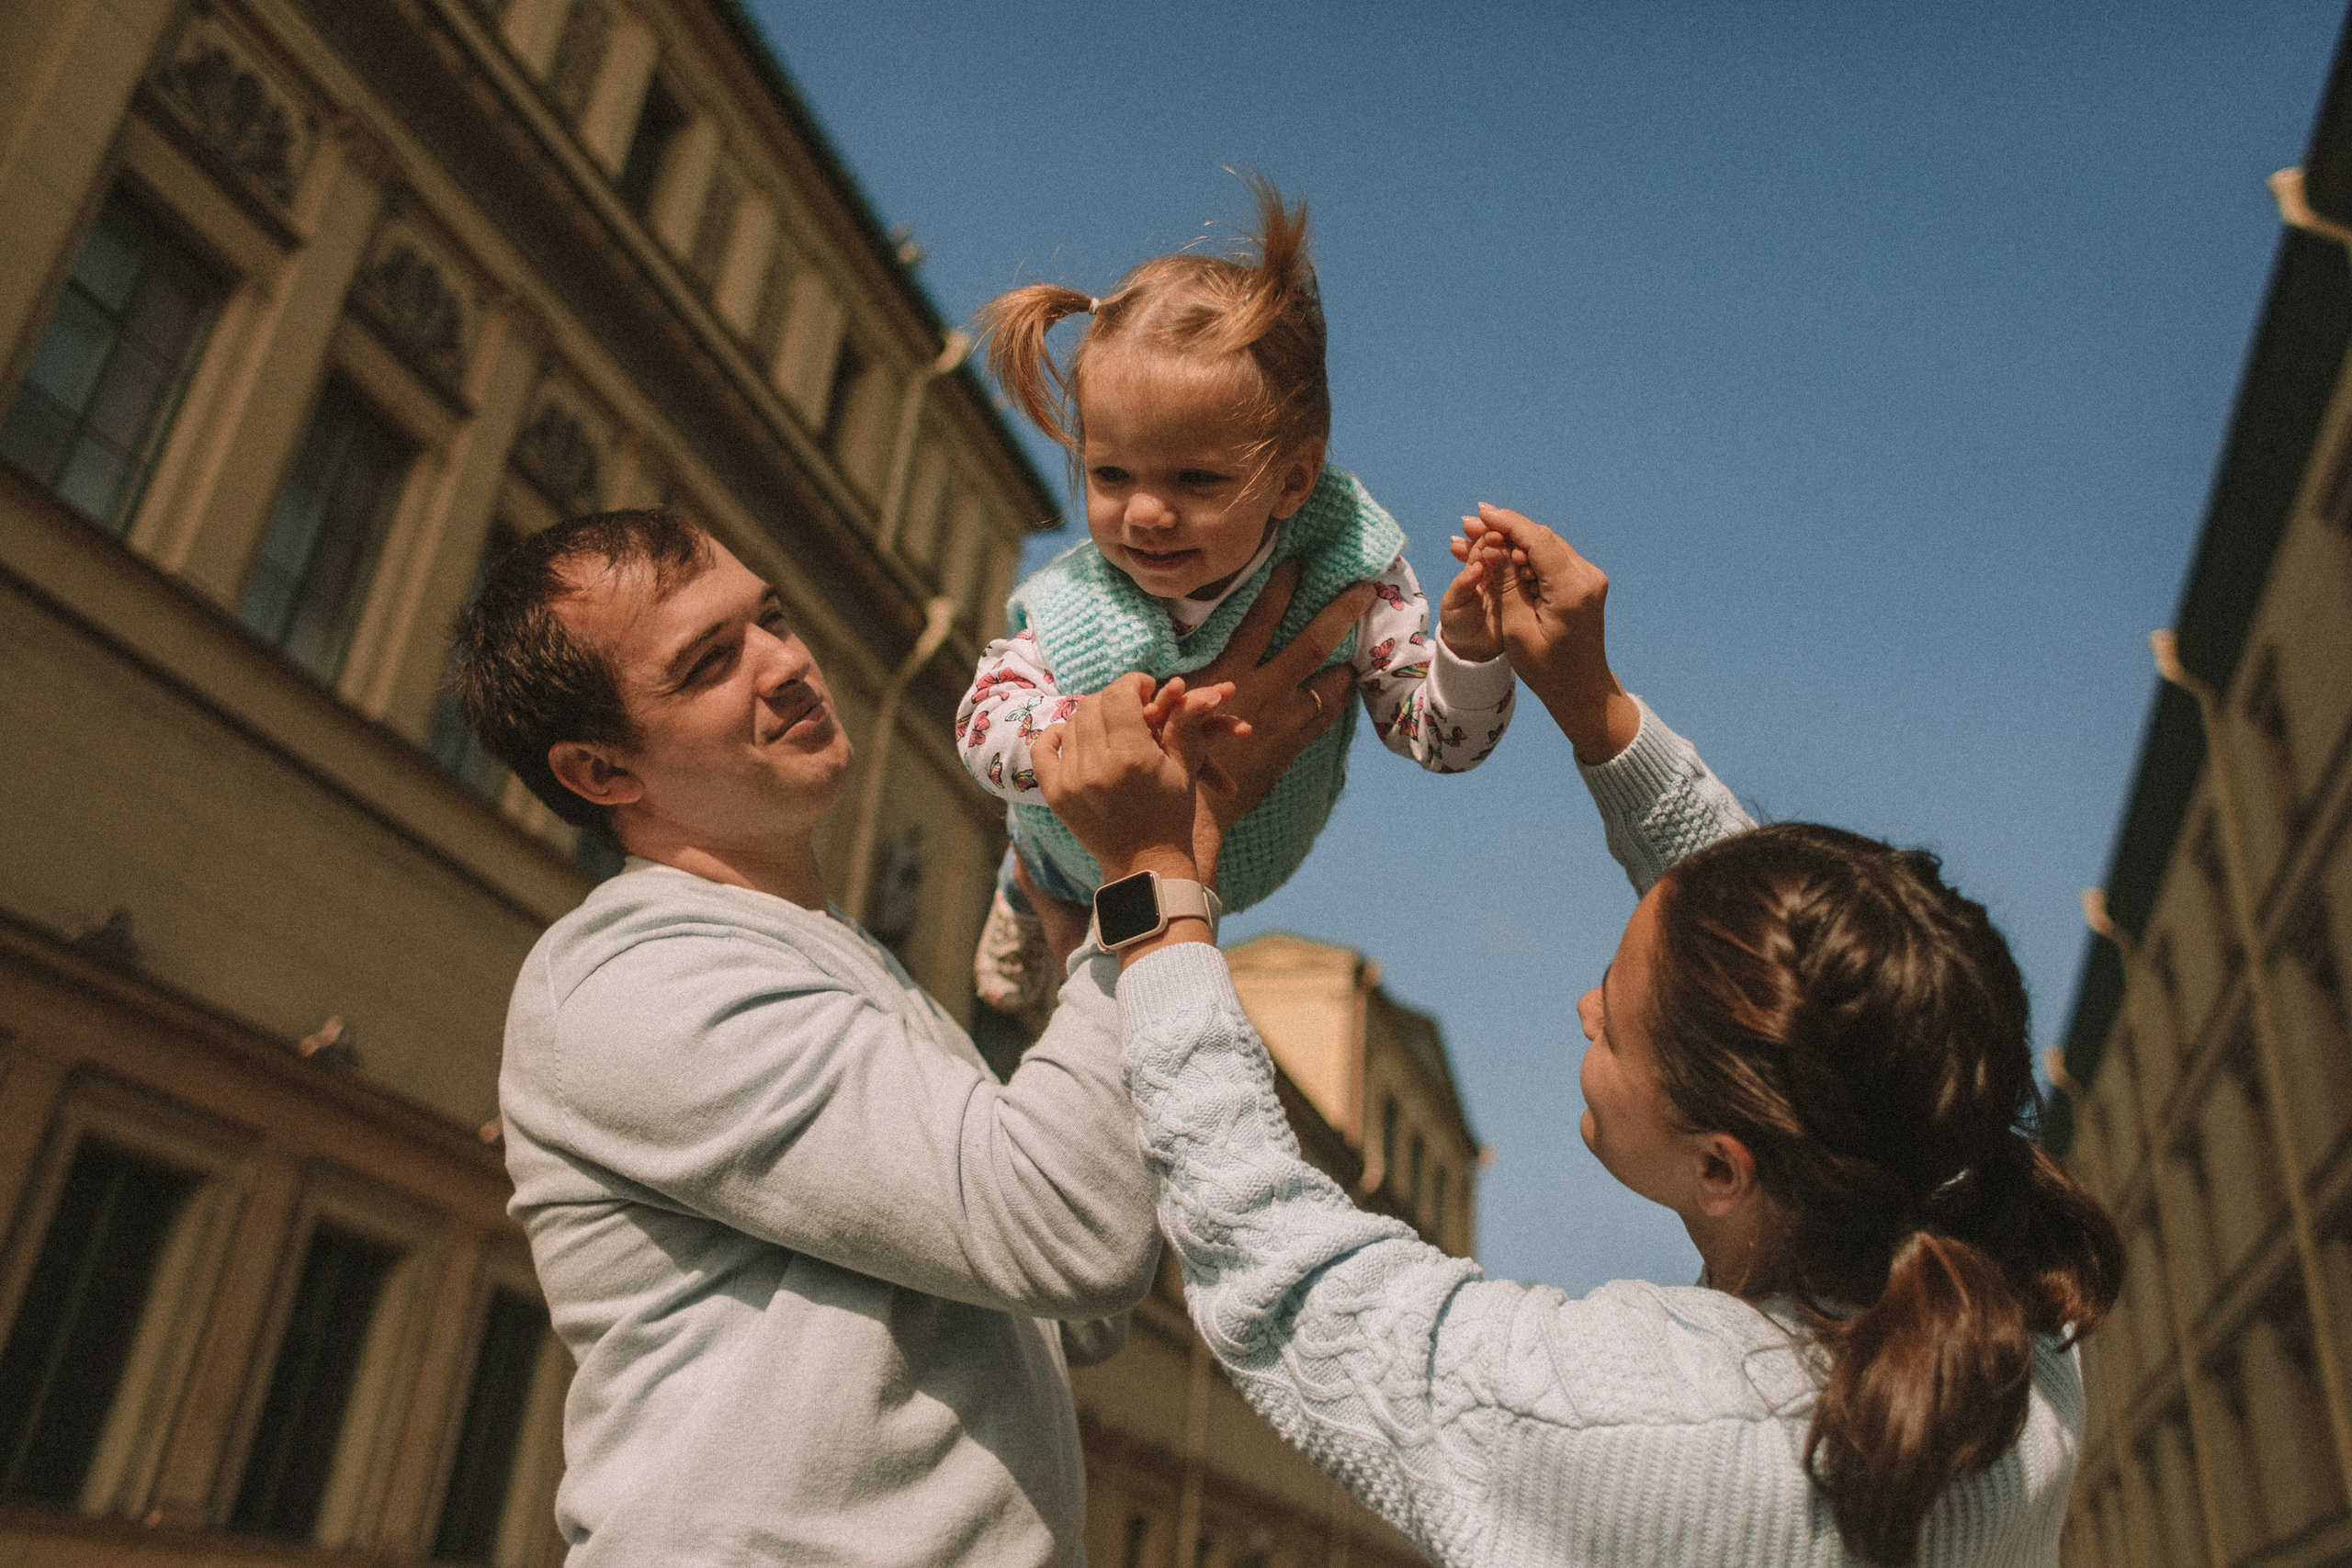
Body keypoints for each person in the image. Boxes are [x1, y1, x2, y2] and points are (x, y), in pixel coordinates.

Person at [1031, 506, 2125, 1568]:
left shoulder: (1618, 1425)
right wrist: (1592, 707)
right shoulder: (2008, 1328)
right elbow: (1850, 994)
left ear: (1719, 1167)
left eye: (1616, 1005)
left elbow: (1276, 1260)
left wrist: (1149, 887)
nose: (1584, 1010)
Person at [448, 506, 1366, 1565]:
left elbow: (1067, 1314)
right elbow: (1067, 1232)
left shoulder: (843, 964)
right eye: (708, 662)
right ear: (604, 773)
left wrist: (1106, 909)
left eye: (772, 617)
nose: (787, 663)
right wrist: (1149, 875)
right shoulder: (633, 977)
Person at [957, 177, 1518, 1013]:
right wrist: (1095, 737)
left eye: (1196, 479)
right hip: (1064, 840)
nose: (1145, 512)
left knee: (1126, 1002)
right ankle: (1017, 895)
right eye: (1111, 474)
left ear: (1291, 478)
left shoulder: (1352, 569)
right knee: (1052, 898)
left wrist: (1470, 652)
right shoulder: (1079, 599)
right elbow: (979, 723)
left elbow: (1441, 742)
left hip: (1225, 866)